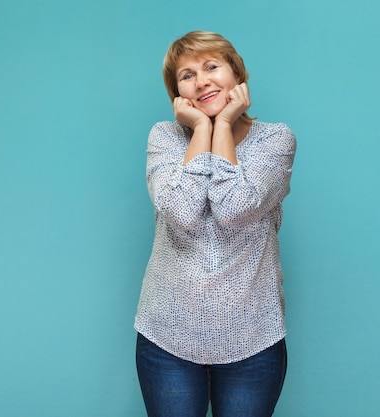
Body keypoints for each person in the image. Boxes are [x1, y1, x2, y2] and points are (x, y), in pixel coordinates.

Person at [134, 31, 297, 417]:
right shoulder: (165, 137)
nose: (201, 80)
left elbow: (233, 208)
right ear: (177, 93)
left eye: (211, 66)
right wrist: (203, 131)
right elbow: (182, 212)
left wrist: (222, 124)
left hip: (253, 336)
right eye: (186, 75)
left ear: (236, 74)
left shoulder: (276, 140)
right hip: (167, 336)